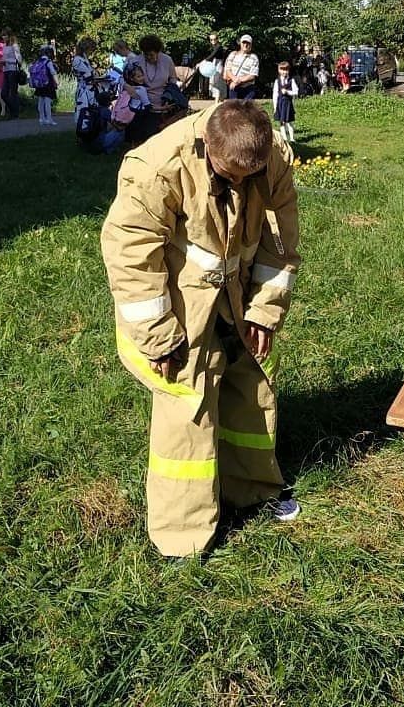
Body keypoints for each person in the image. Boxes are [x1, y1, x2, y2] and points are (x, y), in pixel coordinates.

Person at [100, 100, 302, 560]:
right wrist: (159, 336)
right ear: (207, 146)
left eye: (249, 177)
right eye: (230, 176)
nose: (241, 184)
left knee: (252, 388)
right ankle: (182, 536)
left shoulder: (271, 160)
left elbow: (280, 243)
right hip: (179, 302)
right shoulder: (155, 168)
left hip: (240, 296)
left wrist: (263, 312)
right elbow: (132, 260)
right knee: (188, 403)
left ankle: (251, 490)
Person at [29, 44, 59, 127]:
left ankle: (41, 119)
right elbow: (53, 72)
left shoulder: (37, 62)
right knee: (47, 102)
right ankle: (49, 119)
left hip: (39, 85)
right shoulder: (48, 62)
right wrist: (57, 82)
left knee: (40, 102)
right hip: (48, 84)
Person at [224, 34, 260, 100]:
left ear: (251, 45)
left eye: (248, 43)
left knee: (247, 109)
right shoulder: (232, 55)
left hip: (248, 88)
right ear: (240, 43)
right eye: (244, 42)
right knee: (234, 109)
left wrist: (238, 81)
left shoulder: (254, 58)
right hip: (234, 87)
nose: (245, 45)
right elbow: (228, 70)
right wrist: (234, 79)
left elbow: (252, 76)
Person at [72, 37, 98, 121]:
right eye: (91, 50)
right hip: (84, 90)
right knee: (83, 112)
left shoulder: (84, 59)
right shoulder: (78, 60)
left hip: (89, 89)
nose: (92, 53)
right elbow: (88, 76)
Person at [272, 61, 299, 142]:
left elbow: (296, 91)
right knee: (281, 122)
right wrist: (275, 106)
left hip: (288, 104)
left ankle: (292, 138)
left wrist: (287, 92)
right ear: (279, 70)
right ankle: (284, 138)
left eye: (286, 70)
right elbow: (275, 94)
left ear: (288, 71)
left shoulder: (291, 80)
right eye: (282, 70)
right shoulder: (277, 81)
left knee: (289, 121)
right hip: (280, 104)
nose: (284, 72)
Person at [0, 29, 23, 119]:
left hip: (13, 71)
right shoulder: (4, 46)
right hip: (5, 70)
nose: (3, 37)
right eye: (2, 35)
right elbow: (4, 57)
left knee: (13, 92)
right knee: (4, 93)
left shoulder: (14, 46)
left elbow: (19, 60)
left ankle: (14, 113)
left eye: (5, 35)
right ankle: (13, 109)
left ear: (9, 36)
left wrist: (6, 60)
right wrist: (1, 62)